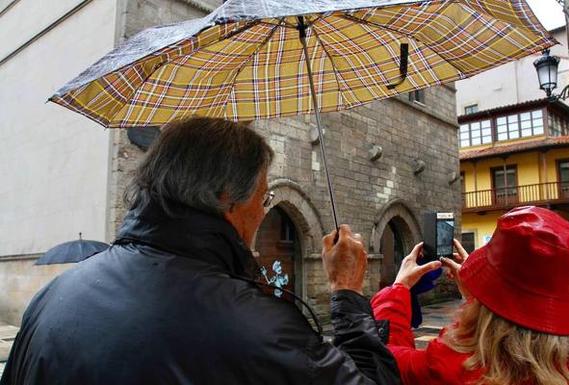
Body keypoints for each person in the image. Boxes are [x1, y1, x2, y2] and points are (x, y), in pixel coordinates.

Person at [1, 117, 400, 385]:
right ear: (227, 198)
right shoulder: (256, 328)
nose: (264, 213)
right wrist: (347, 292)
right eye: (264, 197)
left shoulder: (53, 297)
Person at [372, 206, 569, 385]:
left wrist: (398, 289)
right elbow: (525, 314)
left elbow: (386, 360)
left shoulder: (455, 368)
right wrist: (483, 293)